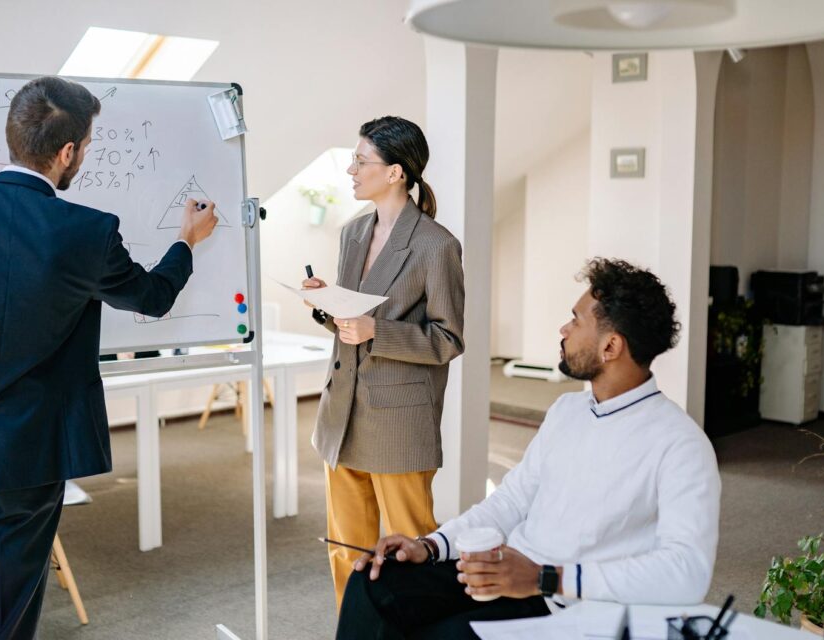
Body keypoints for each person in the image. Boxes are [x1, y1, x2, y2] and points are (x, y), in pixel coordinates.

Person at [0, 76, 218, 640]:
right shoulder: (86, 232)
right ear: (68, 151)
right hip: (31, 453)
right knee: (10, 615)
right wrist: (186, 242)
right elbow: (151, 298)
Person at [336, 258, 721, 639]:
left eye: (576, 320)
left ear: (611, 346)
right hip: (507, 572)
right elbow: (512, 501)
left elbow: (687, 571)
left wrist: (543, 578)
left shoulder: (680, 444)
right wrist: (431, 546)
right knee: (373, 583)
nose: (563, 329)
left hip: (566, 603)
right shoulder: (567, 410)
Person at [302, 116, 465, 611]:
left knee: (411, 552)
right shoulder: (352, 234)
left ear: (395, 173)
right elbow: (352, 323)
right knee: (345, 552)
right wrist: (326, 306)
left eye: (360, 160)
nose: (351, 169)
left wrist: (378, 330)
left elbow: (448, 339)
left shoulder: (437, 245)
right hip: (342, 415)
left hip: (398, 422)